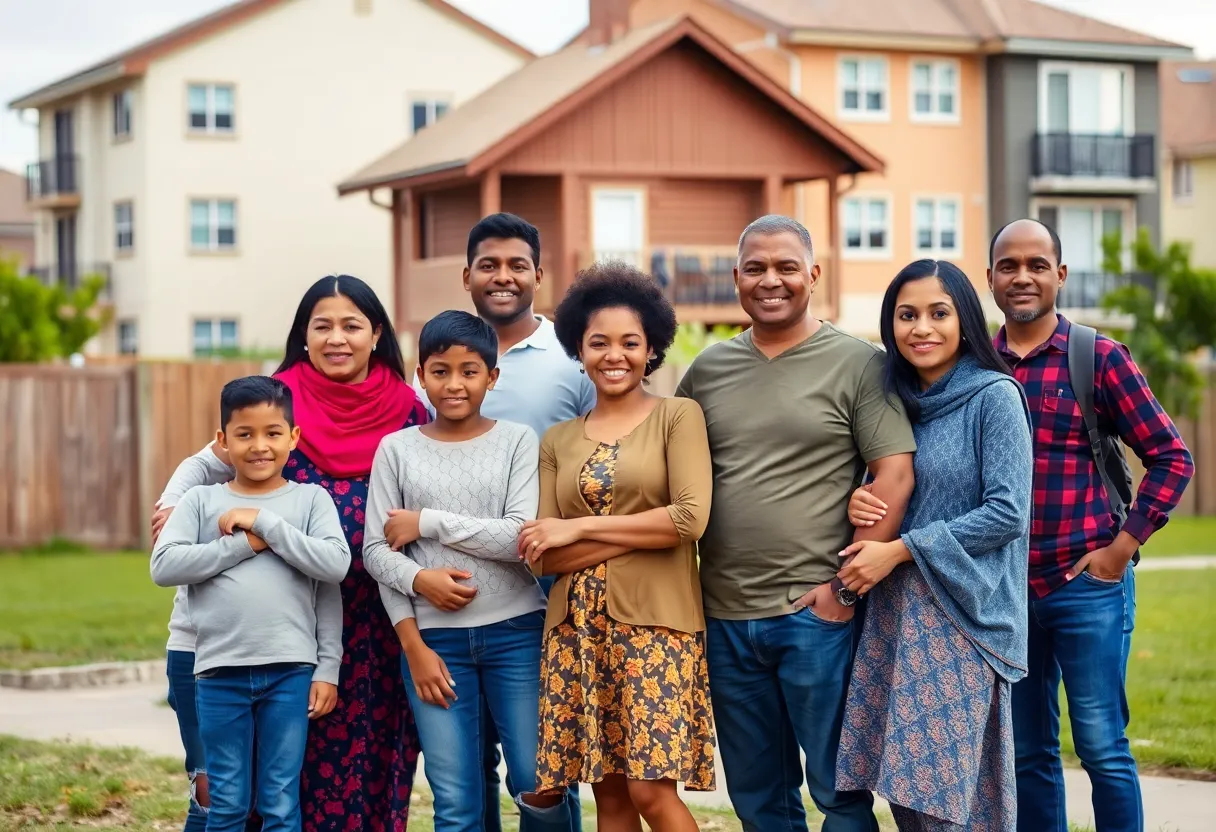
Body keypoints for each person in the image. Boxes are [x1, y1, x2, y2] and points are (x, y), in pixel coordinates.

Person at [151, 275, 431, 831]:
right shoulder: (276, 400)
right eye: (321, 326)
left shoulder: (408, 411)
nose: (337, 338)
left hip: (378, 623)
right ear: (303, 335)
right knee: (254, 782)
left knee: (365, 759)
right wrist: (172, 502)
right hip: (279, 622)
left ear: (376, 333)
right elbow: (205, 461)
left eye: (351, 325)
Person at [674, 215, 917, 832]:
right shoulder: (707, 370)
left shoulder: (860, 363)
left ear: (813, 274)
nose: (770, 280)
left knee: (840, 794)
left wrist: (842, 592)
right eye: (755, 268)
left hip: (816, 615)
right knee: (758, 798)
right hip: (724, 616)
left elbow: (893, 475)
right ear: (736, 278)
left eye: (786, 267)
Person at [987, 219, 1194, 832]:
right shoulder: (976, 365)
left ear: (1060, 275)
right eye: (1008, 265)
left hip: (1086, 586)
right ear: (991, 278)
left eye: (1036, 264)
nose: (1022, 276)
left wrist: (1121, 547)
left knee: (1103, 748)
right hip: (1005, 597)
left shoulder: (1096, 357)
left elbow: (1171, 455)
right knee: (1029, 754)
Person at [833, 259, 1033, 830]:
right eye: (907, 315)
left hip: (962, 615)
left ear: (965, 320)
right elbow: (887, 484)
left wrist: (899, 550)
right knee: (904, 794)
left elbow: (1008, 513)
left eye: (938, 313)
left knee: (949, 797)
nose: (922, 327)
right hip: (895, 613)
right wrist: (859, 498)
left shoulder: (994, 397)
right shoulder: (891, 400)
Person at [519, 261, 715, 832]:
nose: (614, 355)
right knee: (610, 801)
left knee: (650, 793)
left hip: (656, 628)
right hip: (576, 630)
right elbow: (542, 553)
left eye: (630, 342)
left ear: (651, 347)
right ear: (578, 349)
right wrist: (602, 536)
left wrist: (577, 528)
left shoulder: (679, 416)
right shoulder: (557, 439)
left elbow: (687, 520)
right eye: (598, 342)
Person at [411, 212, 592, 830]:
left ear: (540, 274)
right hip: (448, 589)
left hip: (547, 575)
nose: (503, 276)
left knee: (541, 760)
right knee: (466, 763)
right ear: (466, 276)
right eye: (489, 264)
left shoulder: (573, 358)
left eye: (518, 264)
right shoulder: (440, 361)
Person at [362, 310, 572, 832]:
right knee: (455, 801)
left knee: (539, 784)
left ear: (492, 377)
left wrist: (426, 523)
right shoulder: (396, 449)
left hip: (517, 635)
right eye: (440, 371)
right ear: (422, 374)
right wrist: (418, 602)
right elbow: (376, 553)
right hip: (435, 645)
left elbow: (520, 537)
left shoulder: (519, 441)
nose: (454, 384)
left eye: (469, 371)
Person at [151, 376, 351, 832]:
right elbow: (164, 566)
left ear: (293, 437)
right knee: (228, 803)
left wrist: (265, 523)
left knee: (281, 802)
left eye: (273, 433)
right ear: (223, 441)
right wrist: (245, 546)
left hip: (291, 673)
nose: (259, 446)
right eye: (244, 434)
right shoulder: (202, 502)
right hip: (219, 673)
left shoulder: (310, 500)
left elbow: (334, 569)